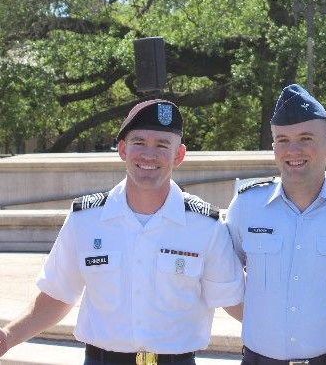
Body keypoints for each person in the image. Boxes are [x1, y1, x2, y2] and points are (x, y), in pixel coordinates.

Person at [0, 100, 244, 364]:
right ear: (123, 149)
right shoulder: (86, 219)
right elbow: (56, 295)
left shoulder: (205, 226)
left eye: (162, 145)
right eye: (139, 142)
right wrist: (7, 337)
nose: (148, 155)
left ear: (179, 155)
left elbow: (234, 301)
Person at [225, 84, 326, 365]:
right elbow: (225, 283)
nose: (293, 150)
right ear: (273, 146)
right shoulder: (246, 206)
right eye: (282, 140)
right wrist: (265, 318)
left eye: (305, 138)